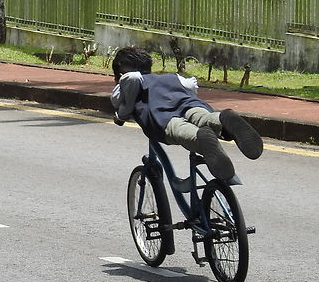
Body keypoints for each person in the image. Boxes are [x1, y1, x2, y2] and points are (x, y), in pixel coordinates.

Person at [110, 46, 263, 181]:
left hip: (160, 113)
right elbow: (191, 85)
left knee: (179, 129)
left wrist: (120, 116)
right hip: (186, 101)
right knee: (203, 117)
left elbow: (131, 82)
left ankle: (200, 139)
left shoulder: (126, 81)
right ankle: (222, 120)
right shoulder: (170, 77)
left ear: (119, 74)